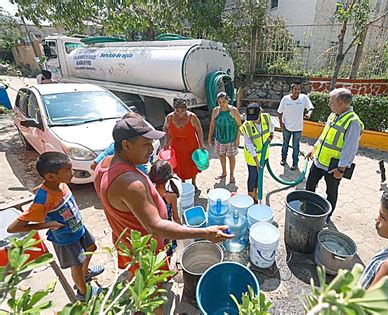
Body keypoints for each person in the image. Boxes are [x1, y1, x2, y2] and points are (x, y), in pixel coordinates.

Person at [93, 117, 231, 279]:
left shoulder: (103, 165)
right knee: (153, 293)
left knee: (138, 276)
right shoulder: (130, 183)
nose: (152, 149)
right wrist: (205, 232)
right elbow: (155, 226)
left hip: (127, 241)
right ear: (126, 145)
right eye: (146, 144)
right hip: (145, 250)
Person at [7, 152, 104, 302]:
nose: (72, 172)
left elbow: (43, 188)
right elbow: (13, 228)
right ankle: (83, 292)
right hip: (66, 239)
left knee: (91, 247)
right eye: (68, 170)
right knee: (76, 265)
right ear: (51, 176)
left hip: (79, 228)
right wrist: (47, 225)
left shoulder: (61, 184)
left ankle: (86, 274)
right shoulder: (43, 200)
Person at [306, 88, 364, 220]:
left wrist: (341, 169)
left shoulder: (353, 122)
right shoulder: (333, 115)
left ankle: (326, 217)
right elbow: (324, 136)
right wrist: (313, 149)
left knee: (331, 193)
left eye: (331, 102)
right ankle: (308, 209)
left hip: (334, 167)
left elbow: (350, 148)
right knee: (309, 186)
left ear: (342, 104)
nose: (329, 104)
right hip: (319, 161)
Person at [164, 98, 205, 187]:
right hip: (176, 146)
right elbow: (166, 129)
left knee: (192, 164)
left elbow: (199, 130)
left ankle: (194, 183)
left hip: (191, 145)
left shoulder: (192, 117)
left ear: (186, 109)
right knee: (179, 164)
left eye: (182, 111)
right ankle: (182, 182)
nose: (180, 113)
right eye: (177, 111)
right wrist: (166, 142)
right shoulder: (170, 117)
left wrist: (201, 143)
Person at [240, 103, 274, 203]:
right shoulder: (247, 126)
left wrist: (271, 135)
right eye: (251, 118)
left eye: (255, 117)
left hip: (264, 154)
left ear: (260, 112)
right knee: (253, 175)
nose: (253, 120)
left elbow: (271, 126)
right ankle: (250, 197)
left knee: (259, 175)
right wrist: (256, 161)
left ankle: (256, 193)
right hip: (252, 156)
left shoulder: (267, 118)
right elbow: (249, 145)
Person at [149, 160, 181, 256]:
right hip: (166, 228)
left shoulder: (149, 192)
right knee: (167, 252)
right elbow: (175, 217)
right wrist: (182, 228)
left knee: (155, 252)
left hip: (152, 228)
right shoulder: (171, 196)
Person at [278, 82, 313, 170]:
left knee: (296, 146)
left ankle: (295, 163)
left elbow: (310, 108)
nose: (297, 91)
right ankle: (283, 159)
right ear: (291, 90)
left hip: (298, 128)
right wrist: (281, 124)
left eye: (299, 89)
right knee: (285, 143)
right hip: (287, 127)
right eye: (295, 89)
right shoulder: (285, 99)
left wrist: (309, 114)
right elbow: (279, 112)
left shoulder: (303, 98)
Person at [208, 92, 242, 184]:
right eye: (219, 102)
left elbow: (239, 125)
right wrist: (209, 137)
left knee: (231, 156)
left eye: (224, 101)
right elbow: (212, 124)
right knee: (221, 156)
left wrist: (237, 139)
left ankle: (232, 175)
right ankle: (224, 172)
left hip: (231, 139)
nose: (222, 104)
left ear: (228, 100)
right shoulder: (216, 111)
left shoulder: (233, 111)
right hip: (219, 139)